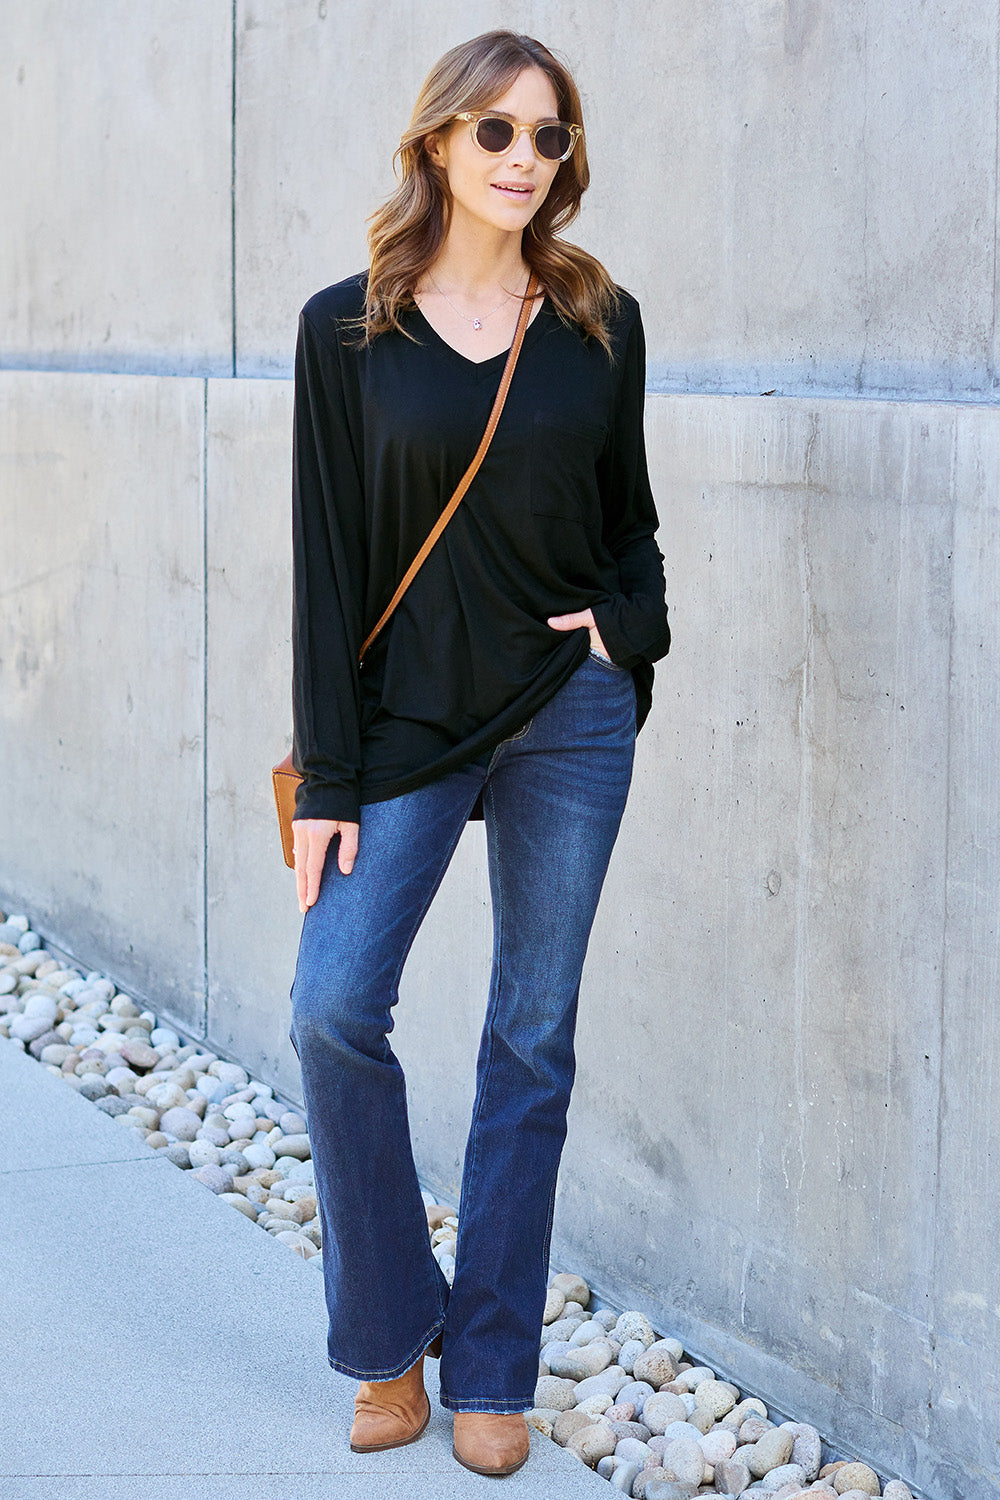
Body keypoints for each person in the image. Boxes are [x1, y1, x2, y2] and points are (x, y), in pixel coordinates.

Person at [286, 29, 670, 1478]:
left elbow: (631, 525)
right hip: (403, 728)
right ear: (439, 141)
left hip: (567, 724)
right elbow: (327, 574)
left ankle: (492, 1362)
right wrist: (330, 780)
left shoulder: (599, 322)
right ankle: (389, 1337)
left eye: (549, 138)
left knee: (530, 1041)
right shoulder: (348, 331)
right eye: (497, 132)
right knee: (331, 1010)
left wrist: (624, 637)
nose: (524, 160)